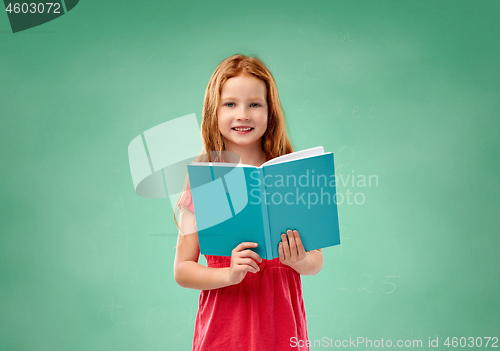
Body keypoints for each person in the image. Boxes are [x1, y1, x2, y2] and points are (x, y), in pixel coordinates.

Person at [173, 54, 324, 351]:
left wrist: (301, 260)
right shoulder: (205, 178)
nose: (243, 114)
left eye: (255, 104)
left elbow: (316, 261)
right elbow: (182, 270)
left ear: (271, 112)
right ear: (213, 112)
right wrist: (229, 273)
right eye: (230, 104)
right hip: (225, 333)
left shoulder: (292, 174)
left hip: (282, 331)